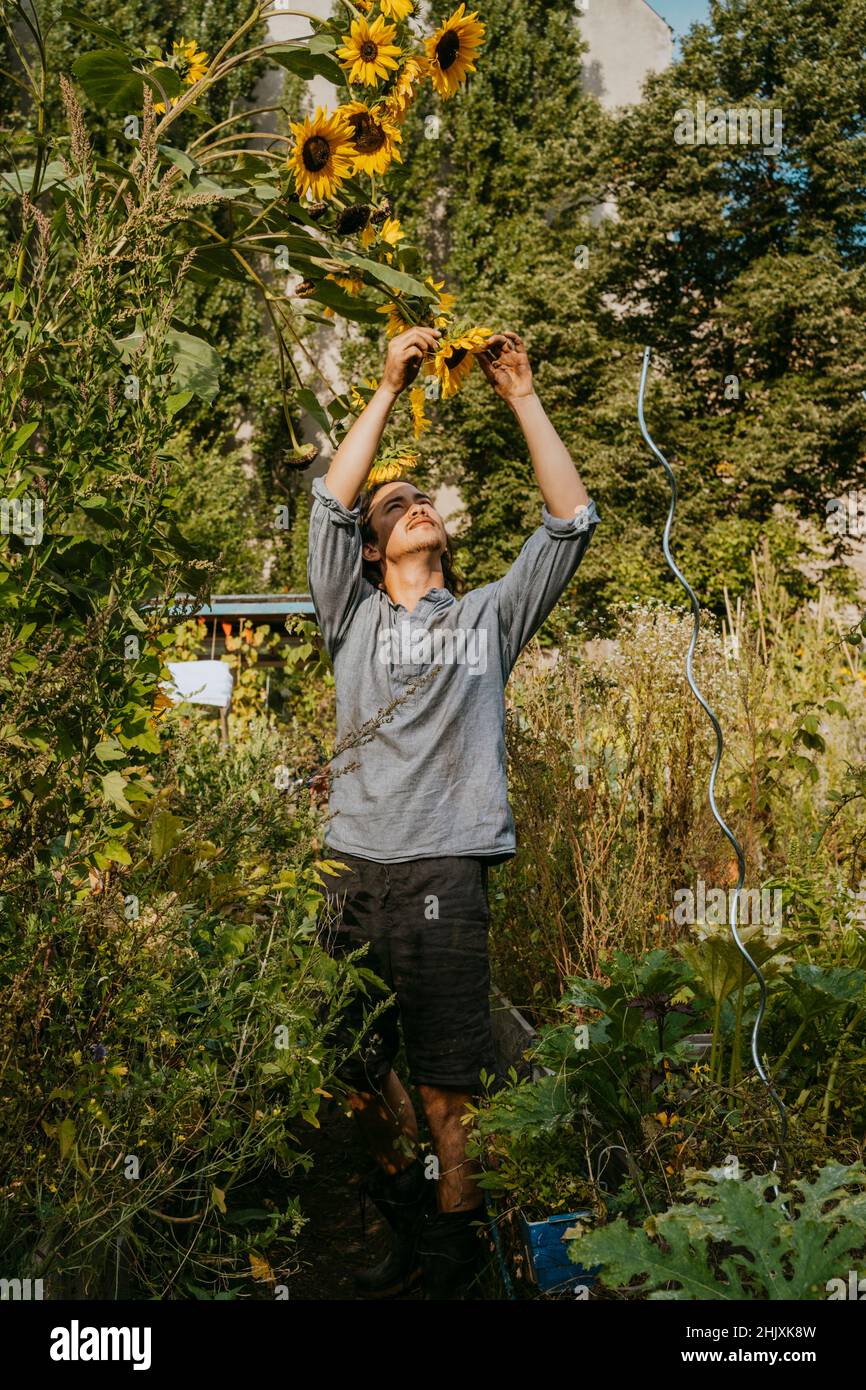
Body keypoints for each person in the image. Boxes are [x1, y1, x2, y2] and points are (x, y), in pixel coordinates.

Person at [307, 325, 600, 1299]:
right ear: (370, 547)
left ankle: (452, 1255)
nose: (413, 504)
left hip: (444, 874)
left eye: (421, 499)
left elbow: (569, 522)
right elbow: (326, 498)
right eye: (394, 506)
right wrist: (388, 383)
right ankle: (394, 1201)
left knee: (448, 1086)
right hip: (349, 871)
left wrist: (519, 391)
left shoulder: (486, 619)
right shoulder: (351, 619)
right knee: (350, 1072)